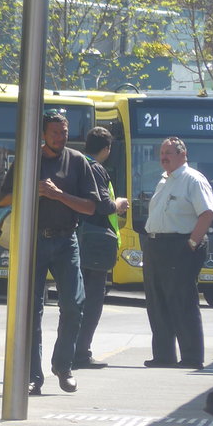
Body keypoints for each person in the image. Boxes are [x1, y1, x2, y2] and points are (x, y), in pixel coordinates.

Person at [0, 109, 101, 395]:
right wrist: (31, 188)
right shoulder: (28, 160)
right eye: (55, 132)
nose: (60, 137)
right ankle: (33, 376)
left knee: (74, 304)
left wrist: (58, 195)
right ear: (43, 134)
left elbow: (91, 207)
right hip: (33, 242)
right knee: (31, 310)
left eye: (64, 132)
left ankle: (62, 365)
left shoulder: (78, 162)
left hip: (66, 241)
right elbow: (2, 198)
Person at [141, 136, 213, 370]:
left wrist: (192, 243)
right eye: (162, 152)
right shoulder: (164, 180)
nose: (163, 157)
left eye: (169, 152)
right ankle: (164, 355)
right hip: (156, 246)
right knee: (157, 301)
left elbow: (207, 213)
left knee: (182, 301)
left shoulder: (192, 179)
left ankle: (192, 356)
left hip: (180, 245)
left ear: (183, 155)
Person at [74, 126, 129, 369]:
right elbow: (103, 206)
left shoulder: (75, 164)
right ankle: (81, 352)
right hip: (94, 245)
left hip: (79, 239)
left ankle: (74, 349)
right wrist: (119, 203)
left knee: (77, 299)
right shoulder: (96, 169)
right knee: (93, 300)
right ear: (106, 149)